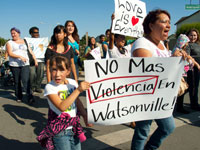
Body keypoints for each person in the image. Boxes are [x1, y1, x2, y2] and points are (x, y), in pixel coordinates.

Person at [131, 9, 187, 150]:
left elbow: (167, 67)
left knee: (168, 127)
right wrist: (172, 61)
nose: (168, 25)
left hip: (161, 96)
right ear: (151, 25)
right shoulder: (141, 43)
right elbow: (148, 71)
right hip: (146, 95)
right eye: (163, 21)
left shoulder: (162, 45)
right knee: (142, 131)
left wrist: (179, 59)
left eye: (169, 22)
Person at [37, 55, 91, 150]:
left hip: (74, 128)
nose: (57, 74)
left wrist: (85, 116)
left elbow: (77, 101)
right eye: (54, 70)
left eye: (61, 70)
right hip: (60, 132)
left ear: (68, 71)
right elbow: (62, 107)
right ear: (49, 70)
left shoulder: (72, 83)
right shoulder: (50, 87)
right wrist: (78, 90)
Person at [6, 27, 37, 104]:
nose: (13, 35)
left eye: (14, 33)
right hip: (14, 65)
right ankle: (19, 96)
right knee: (17, 81)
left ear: (18, 33)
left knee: (26, 80)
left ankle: (30, 96)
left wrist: (35, 59)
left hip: (25, 64)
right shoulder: (9, 43)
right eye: (12, 33)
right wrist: (19, 57)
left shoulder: (25, 41)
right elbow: (10, 53)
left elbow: (30, 51)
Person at [186, 28, 200, 111]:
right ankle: (194, 104)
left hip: (198, 67)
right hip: (193, 67)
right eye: (191, 35)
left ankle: (195, 103)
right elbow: (188, 56)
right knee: (193, 86)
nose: (193, 37)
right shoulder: (187, 45)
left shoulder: (198, 44)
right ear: (187, 36)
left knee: (196, 86)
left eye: (195, 35)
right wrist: (197, 65)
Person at [29, 26, 45, 93]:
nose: (37, 34)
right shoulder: (28, 41)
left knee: (40, 74)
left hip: (40, 60)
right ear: (31, 33)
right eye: (35, 32)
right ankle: (32, 87)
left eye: (37, 32)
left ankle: (38, 87)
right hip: (31, 60)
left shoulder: (42, 41)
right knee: (32, 74)